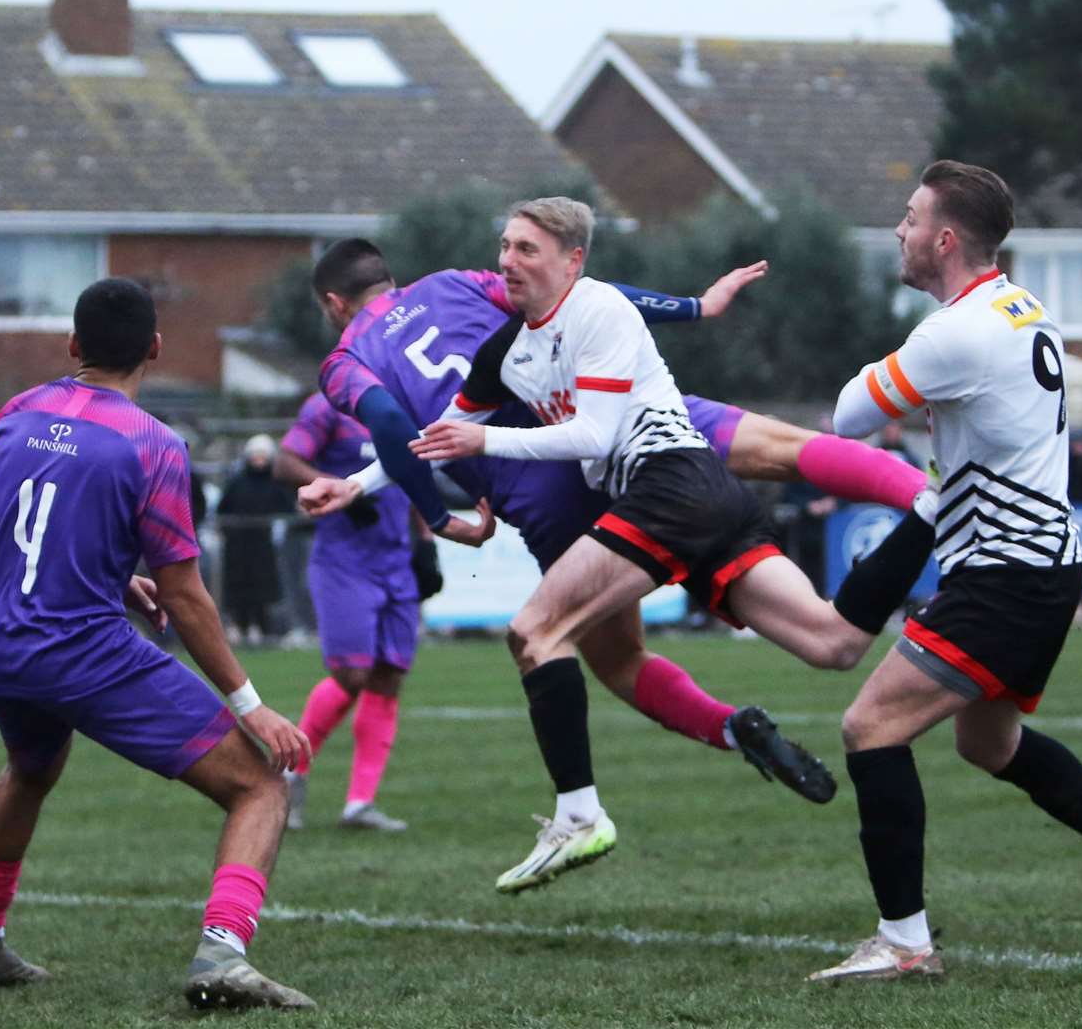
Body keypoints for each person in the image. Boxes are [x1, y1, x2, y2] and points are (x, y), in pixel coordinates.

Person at [298, 235, 928, 892]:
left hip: (547, 489)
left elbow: (398, 421)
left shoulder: (345, 358)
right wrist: (692, 307)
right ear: (389, 277)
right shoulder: (455, 284)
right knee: (788, 451)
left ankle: (701, 744)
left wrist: (435, 516)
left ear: (333, 304)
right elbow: (585, 300)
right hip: (622, 423)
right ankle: (935, 499)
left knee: (606, 658)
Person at [808, 161, 1082, 982]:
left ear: (945, 238)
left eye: (910, 218)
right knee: (989, 743)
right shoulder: (1021, 306)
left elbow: (847, 416)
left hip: (1007, 575)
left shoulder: (956, 332)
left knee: (869, 728)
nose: (900, 232)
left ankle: (906, 944)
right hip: (1044, 564)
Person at [0, 277, 314, 1010]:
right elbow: (184, 595)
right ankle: (222, 954)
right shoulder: (154, 444)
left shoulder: (15, 413)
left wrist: (114, 583)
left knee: (30, 767)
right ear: (155, 348)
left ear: (73, 345)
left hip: (5, 648)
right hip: (84, 653)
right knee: (261, 783)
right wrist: (252, 705)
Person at [274, 391, 428, 833]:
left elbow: (414, 473)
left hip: (396, 562)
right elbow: (286, 463)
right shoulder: (327, 407)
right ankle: (291, 773)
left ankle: (360, 804)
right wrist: (340, 488)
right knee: (352, 675)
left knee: (389, 676)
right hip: (345, 561)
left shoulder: (405, 406)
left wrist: (427, 540)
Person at [216, 436, 296, 644]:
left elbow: (288, 509)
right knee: (238, 588)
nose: (259, 460)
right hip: (238, 546)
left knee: (262, 589)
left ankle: (260, 628)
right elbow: (223, 510)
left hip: (263, 546)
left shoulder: (276, 483)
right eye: (255, 455)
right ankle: (239, 626)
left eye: (263, 456)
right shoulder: (237, 482)